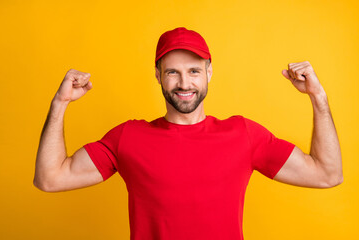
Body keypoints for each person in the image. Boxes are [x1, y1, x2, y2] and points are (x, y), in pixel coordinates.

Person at [34, 27, 343, 240]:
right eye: (172, 72)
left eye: (194, 71)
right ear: (157, 76)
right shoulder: (128, 137)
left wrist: (319, 98)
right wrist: (60, 103)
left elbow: (326, 174)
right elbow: (50, 178)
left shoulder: (243, 135)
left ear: (209, 72)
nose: (184, 83)